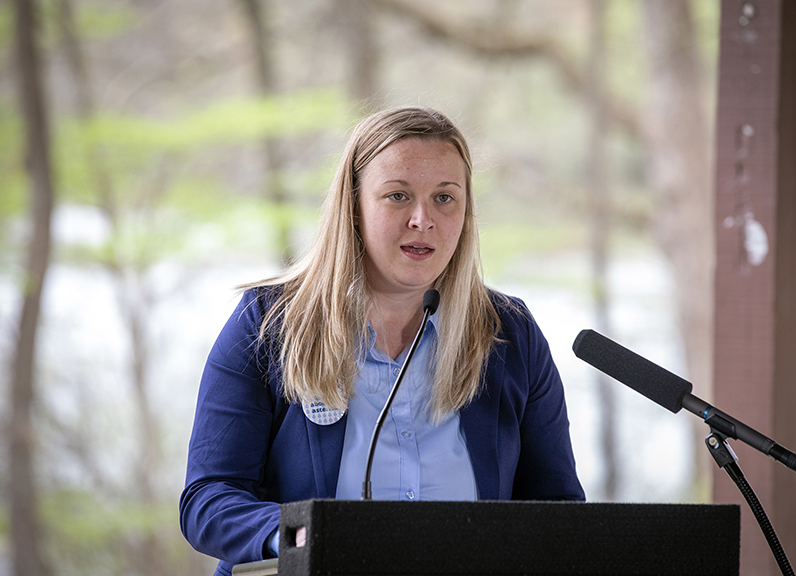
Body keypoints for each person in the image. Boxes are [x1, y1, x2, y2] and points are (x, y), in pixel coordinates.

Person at [179, 107, 585, 575]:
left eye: (445, 198)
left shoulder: (509, 333)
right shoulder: (268, 323)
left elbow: (558, 512)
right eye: (397, 196)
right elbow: (208, 501)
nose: (422, 219)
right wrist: (302, 536)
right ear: (353, 206)